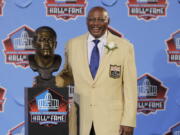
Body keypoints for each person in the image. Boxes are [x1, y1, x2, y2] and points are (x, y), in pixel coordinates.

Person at [56, 6, 138, 135]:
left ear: (108, 21)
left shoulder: (124, 46)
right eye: (92, 19)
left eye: (101, 19)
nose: (96, 23)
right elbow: (68, 74)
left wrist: (128, 121)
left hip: (112, 122)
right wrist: (48, 82)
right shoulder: (72, 44)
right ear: (86, 21)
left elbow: (130, 87)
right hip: (80, 120)